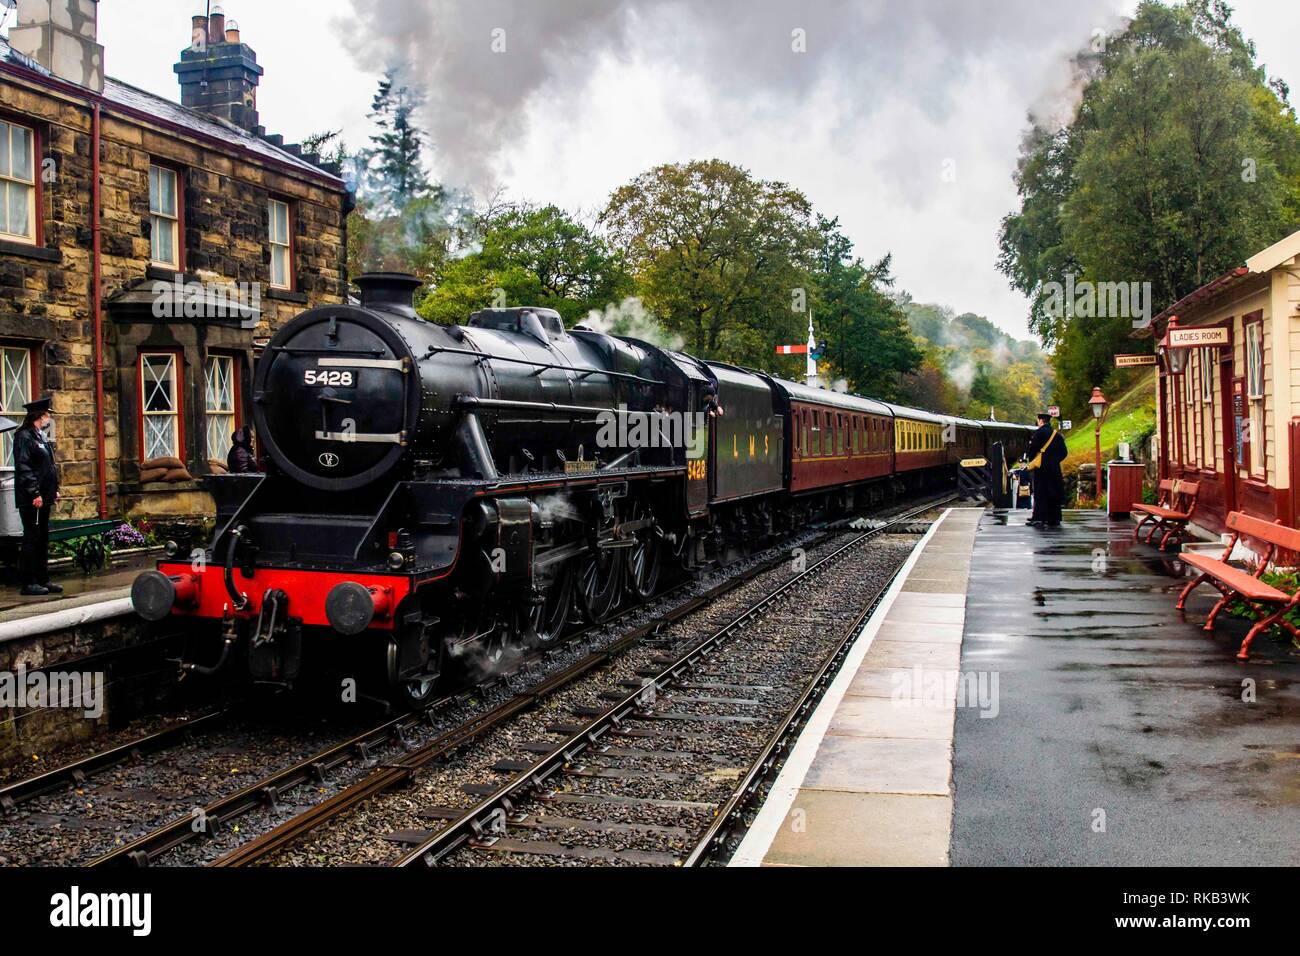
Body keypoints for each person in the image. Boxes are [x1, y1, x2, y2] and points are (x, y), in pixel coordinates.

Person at [13, 397, 61, 596]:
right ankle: (28, 581)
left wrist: (53, 490)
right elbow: (24, 467)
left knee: (42, 537)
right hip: (32, 498)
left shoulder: (40, 436)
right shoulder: (24, 437)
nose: (48, 418)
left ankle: (43, 578)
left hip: (45, 495)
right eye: (47, 415)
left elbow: (47, 467)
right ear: (39, 416)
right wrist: (35, 492)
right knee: (31, 538)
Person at [1025, 412, 1065, 529]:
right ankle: (1054, 518)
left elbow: (1032, 450)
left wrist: (1034, 460)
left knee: (1040, 492)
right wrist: (1055, 461)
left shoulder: (1039, 433)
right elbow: (1064, 452)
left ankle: (1039, 517)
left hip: (1042, 468)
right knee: (1054, 492)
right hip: (1054, 469)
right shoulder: (1056, 435)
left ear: (1040, 421)